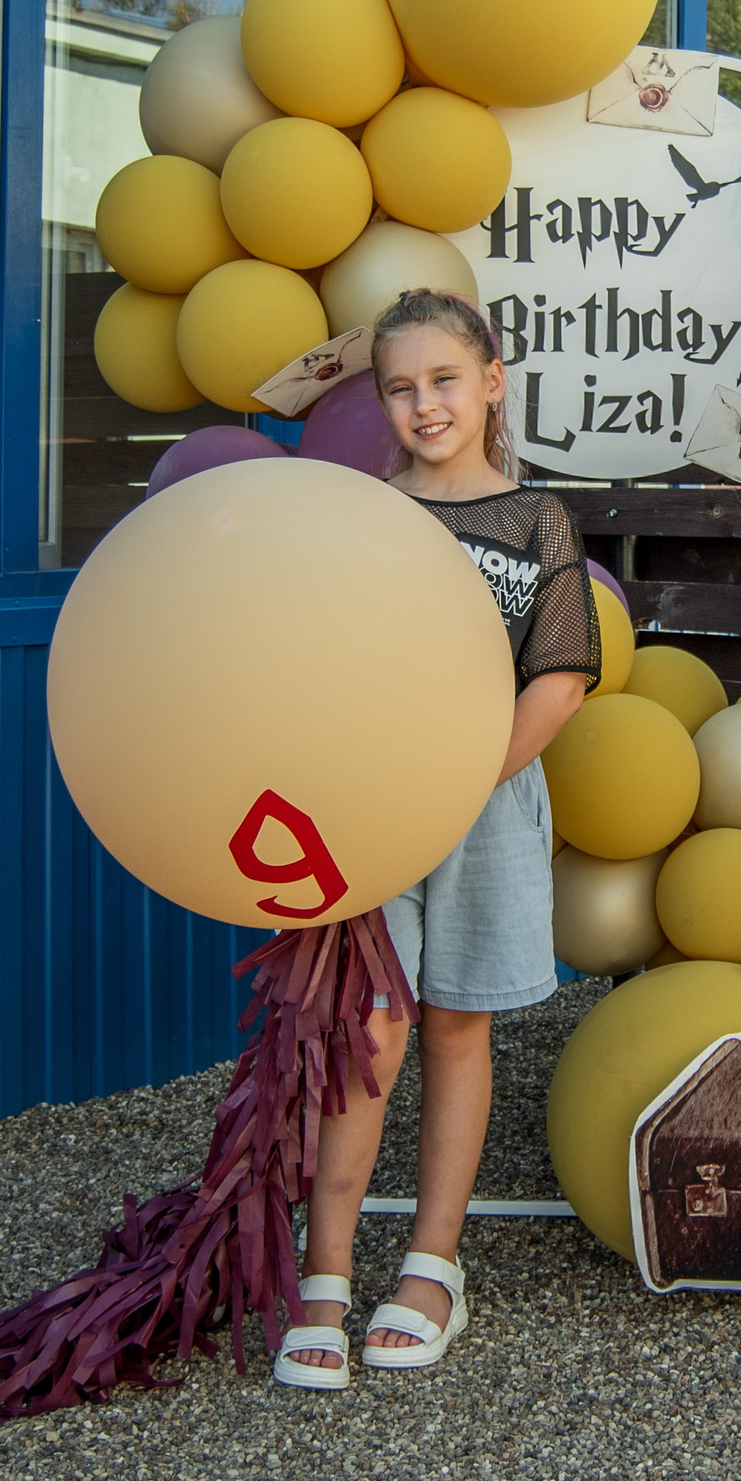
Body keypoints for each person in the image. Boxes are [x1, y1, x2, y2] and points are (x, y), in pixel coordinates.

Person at [276, 290, 599, 1391]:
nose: (425, 405)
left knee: (458, 1024)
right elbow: (320, 660)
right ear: (380, 402)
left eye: (445, 381)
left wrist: (460, 780)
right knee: (368, 1029)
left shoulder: (536, 520)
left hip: (486, 803)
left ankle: (429, 1264)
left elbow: (559, 679)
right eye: (402, 388)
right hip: (374, 804)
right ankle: (323, 1273)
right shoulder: (367, 514)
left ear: (493, 381)